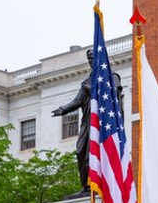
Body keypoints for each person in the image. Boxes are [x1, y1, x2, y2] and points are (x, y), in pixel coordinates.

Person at [51, 49, 123, 193]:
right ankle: (86, 185)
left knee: (95, 151)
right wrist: (62, 109)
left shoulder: (111, 76)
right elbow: (77, 101)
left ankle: (98, 183)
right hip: (87, 122)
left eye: (93, 58)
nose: (91, 61)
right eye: (89, 59)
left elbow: (113, 94)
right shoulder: (87, 80)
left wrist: (91, 89)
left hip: (102, 123)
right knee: (81, 151)